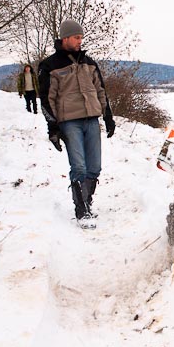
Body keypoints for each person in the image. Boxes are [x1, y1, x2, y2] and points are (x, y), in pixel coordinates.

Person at [38, 19, 116, 229]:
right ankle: (81, 210)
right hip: (69, 122)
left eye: (81, 37)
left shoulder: (89, 63)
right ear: (65, 38)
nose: (80, 41)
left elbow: (100, 90)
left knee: (95, 167)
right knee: (79, 167)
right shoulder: (50, 65)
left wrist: (108, 116)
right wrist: (53, 127)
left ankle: (88, 202)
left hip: (92, 118)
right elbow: (46, 99)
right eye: (76, 37)